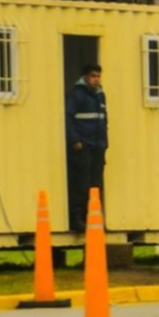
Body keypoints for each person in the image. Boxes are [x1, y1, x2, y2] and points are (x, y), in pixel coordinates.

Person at [66, 63, 108, 230]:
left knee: (95, 184)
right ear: (84, 77)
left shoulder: (100, 96)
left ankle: (92, 217)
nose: (96, 80)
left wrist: (105, 143)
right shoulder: (76, 95)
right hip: (83, 146)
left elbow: (104, 120)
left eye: (98, 76)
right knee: (80, 183)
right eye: (93, 76)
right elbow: (67, 118)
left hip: (98, 146)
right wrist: (75, 140)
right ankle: (77, 218)